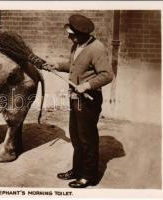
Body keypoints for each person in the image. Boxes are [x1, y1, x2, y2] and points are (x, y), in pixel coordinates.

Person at [41, 14, 114, 188]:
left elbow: (107, 75)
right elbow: (74, 65)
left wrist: (87, 85)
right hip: (76, 98)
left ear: (81, 34)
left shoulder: (97, 49)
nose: (69, 37)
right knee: (75, 136)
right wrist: (57, 65)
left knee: (87, 138)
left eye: (71, 34)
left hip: (89, 99)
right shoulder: (77, 45)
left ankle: (89, 176)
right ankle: (77, 170)